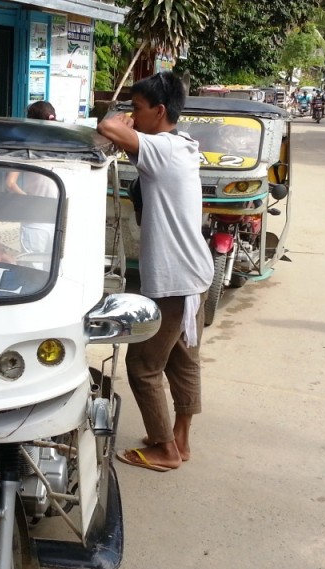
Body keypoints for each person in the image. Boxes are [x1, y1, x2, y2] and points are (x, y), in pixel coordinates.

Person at [97, 72, 214, 472]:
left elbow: (106, 127)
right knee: (183, 360)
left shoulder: (161, 148)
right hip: (194, 273)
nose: (132, 113)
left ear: (160, 111)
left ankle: (164, 449)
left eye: (138, 107)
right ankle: (179, 439)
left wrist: (121, 120)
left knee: (143, 368)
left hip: (173, 280)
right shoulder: (179, 145)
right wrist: (132, 121)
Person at [6, 101, 59, 257]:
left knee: (33, 272)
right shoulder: (65, 143)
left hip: (36, 219)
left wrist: (31, 201)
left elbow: (9, 183)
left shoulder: (26, 145)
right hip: (61, 217)